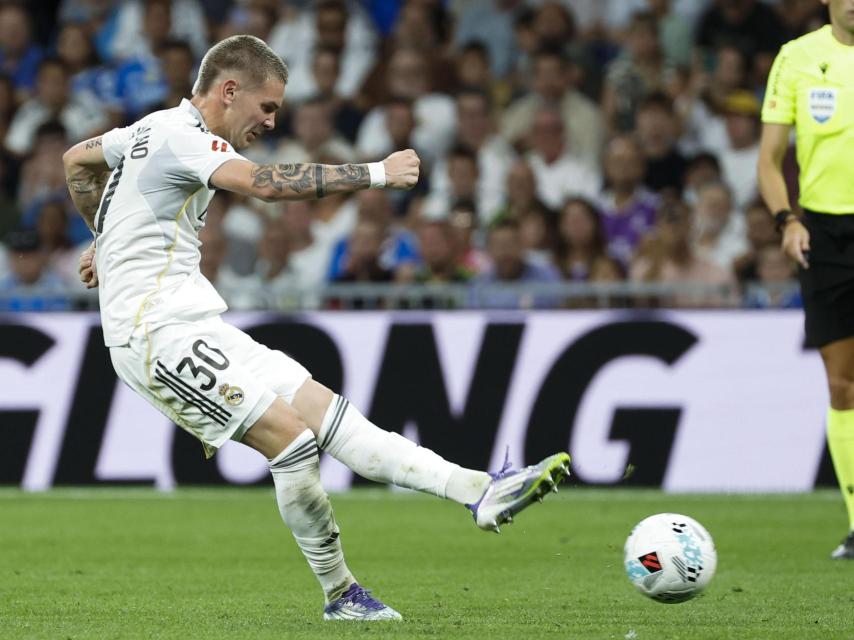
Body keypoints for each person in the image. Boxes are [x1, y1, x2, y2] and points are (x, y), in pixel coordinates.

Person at [62, 35, 570, 620]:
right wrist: (378, 171)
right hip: (152, 333)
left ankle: (479, 490)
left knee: (332, 416)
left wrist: (103, 239)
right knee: (292, 439)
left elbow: (78, 158)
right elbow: (265, 185)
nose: (272, 121)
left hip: (194, 319)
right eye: (268, 107)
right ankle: (341, 594)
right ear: (229, 90)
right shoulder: (184, 137)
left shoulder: (148, 129)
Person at [757, 0, 854, 560]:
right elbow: (771, 159)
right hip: (825, 237)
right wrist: (786, 220)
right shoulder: (797, 58)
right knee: (842, 385)